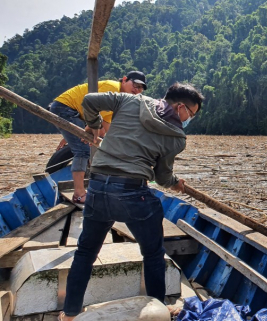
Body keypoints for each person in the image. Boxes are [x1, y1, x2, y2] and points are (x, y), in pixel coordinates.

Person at [58, 82, 203, 321]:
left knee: (85, 252)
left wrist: (93, 125)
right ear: (180, 107)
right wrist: (176, 183)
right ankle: (158, 308)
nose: (190, 119)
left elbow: (89, 101)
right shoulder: (177, 137)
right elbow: (162, 176)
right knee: (153, 254)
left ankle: (70, 313)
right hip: (133, 194)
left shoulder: (130, 100)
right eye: (191, 114)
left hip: (98, 188)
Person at [48, 71, 147, 203]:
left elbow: (105, 129)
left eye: (141, 88)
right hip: (66, 108)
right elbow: (92, 111)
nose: (137, 90)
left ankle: (92, 184)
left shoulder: (120, 100)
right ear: (124, 80)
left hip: (76, 113)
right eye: (135, 85)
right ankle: (79, 194)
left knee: (92, 143)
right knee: (83, 151)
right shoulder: (112, 88)